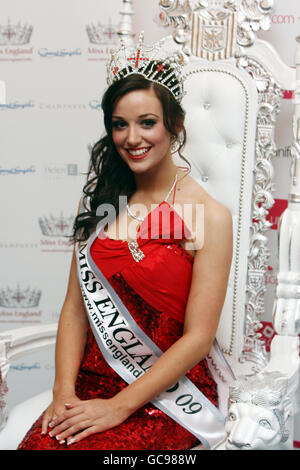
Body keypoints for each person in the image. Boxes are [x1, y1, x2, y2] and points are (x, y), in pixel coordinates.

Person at [18, 34, 233, 451]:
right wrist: (63, 394)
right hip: (90, 382)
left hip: (165, 395)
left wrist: (118, 407)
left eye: (147, 122)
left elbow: (199, 337)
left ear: (175, 124)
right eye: (120, 124)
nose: (132, 138)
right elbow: (75, 310)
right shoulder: (103, 202)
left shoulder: (209, 215)